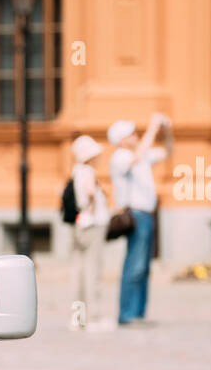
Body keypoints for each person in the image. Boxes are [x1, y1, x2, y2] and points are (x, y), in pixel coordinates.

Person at [108, 113, 173, 326]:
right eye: (132, 133)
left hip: (147, 215)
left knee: (144, 267)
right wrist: (152, 128)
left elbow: (167, 152)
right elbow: (139, 155)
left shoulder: (140, 155)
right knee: (134, 265)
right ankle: (126, 314)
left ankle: (138, 313)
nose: (136, 135)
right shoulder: (120, 157)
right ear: (121, 139)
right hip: (135, 215)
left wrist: (167, 131)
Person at [68, 134, 114, 332]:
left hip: (79, 225)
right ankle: (94, 318)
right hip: (93, 226)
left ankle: (78, 319)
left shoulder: (76, 170)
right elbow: (90, 193)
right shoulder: (88, 171)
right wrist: (95, 207)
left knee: (78, 272)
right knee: (93, 271)